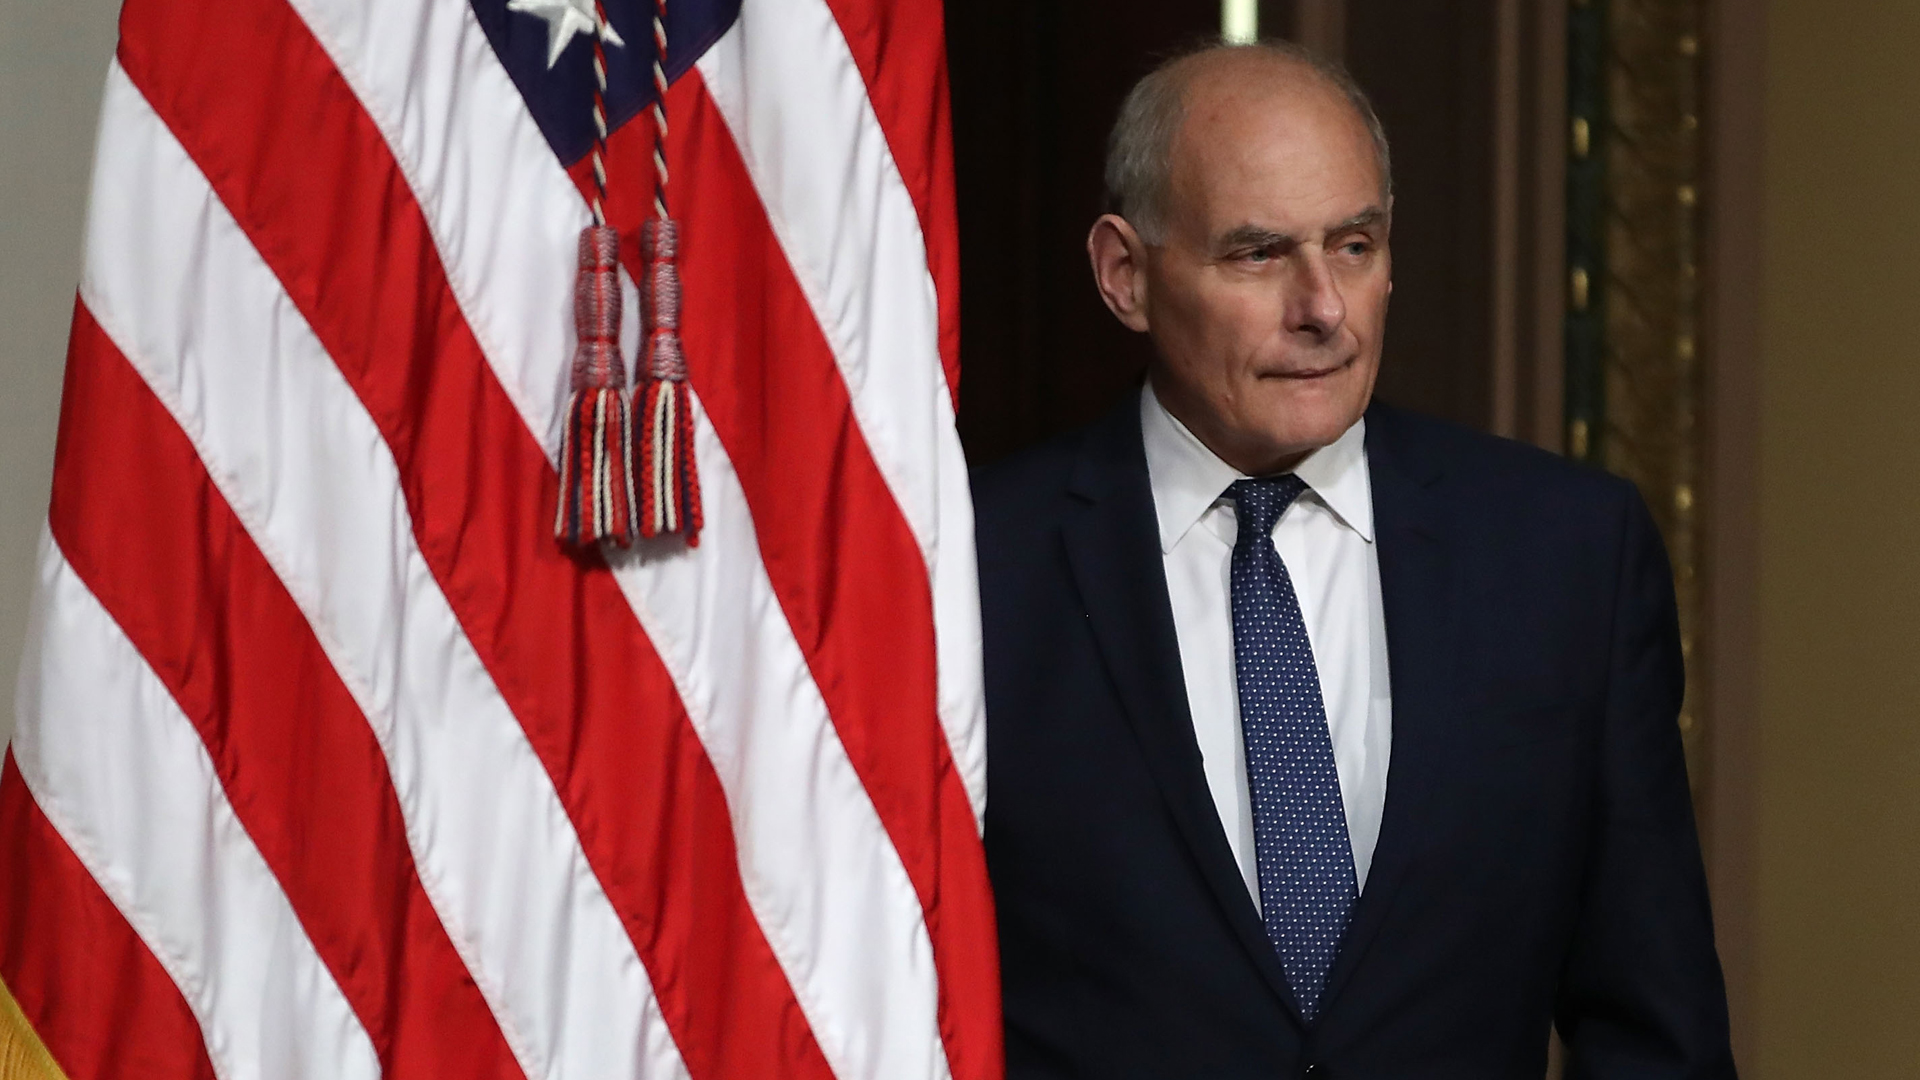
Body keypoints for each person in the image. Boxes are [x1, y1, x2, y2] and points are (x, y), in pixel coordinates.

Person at [972, 40, 1736, 1078]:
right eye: (1258, 253)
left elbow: (1655, 1031)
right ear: (1125, 275)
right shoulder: (976, 570)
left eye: (1356, 246)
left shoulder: (1565, 557)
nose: (1323, 306)